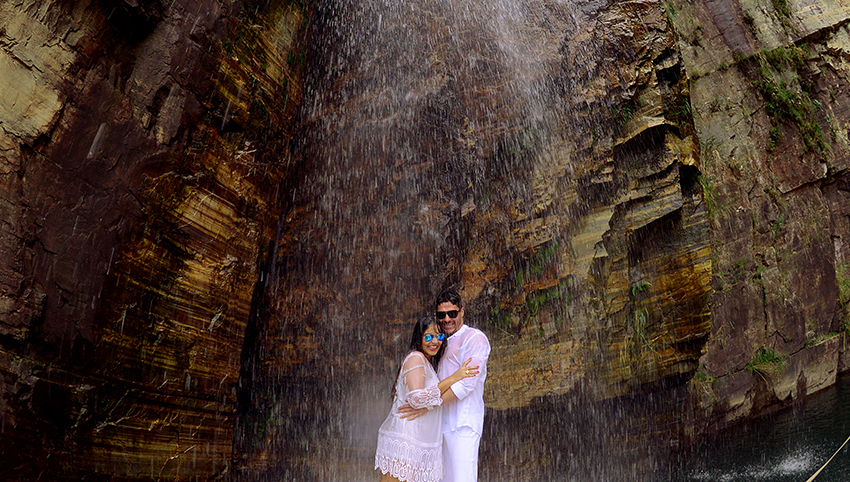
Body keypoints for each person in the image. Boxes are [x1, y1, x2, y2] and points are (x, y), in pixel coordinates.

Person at [400, 289, 491, 482]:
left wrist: (428, 406)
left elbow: (466, 385)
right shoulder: (438, 342)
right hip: (438, 424)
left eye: (452, 313)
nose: (447, 319)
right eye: (442, 315)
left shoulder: (475, 338)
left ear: (462, 312)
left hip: (462, 423)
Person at [375, 316, 479, 482]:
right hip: (406, 438)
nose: (435, 341)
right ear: (419, 338)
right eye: (428, 336)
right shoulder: (415, 358)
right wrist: (454, 377)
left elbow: (426, 400)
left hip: (420, 441)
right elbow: (416, 398)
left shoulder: (428, 362)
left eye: (439, 336)